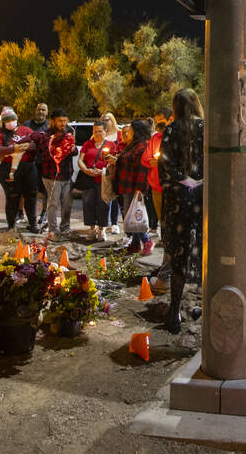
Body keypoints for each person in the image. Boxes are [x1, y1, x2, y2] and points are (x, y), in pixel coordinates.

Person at [158, 88, 205, 333]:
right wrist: (200, 181)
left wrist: (183, 180)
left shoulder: (171, 129)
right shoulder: (206, 128)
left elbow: (164, 162)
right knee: (207, 251)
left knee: (179, 253)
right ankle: (207, 308)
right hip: (204, 198)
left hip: (178, 200)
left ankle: (174, 311)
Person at [0, 108, 40, 233]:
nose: (11, 122)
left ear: (17, 119)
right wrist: (13, 149)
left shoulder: (26, 130)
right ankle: (11, 225)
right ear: (4, 122)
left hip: (28, 167)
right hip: (7, 168)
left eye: (13, 119)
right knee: (12, 196)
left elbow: (37, 143)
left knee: (31, 196)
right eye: (8, 120)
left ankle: (33, 224)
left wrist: (29, 146)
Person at [33, 109, 76, 238]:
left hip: (67, 174)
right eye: (60, 121)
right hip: (52, 176)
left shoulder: (69, 133)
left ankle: (65, 228)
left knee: (67, 203)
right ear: (53, 121)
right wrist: (64, 149)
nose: (63, 123)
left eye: (65, 120)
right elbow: (47, 153)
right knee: (53, 203)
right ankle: (53, 229)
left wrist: (70, 149)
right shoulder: (47, 136)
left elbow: (74, 151)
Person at [115, 119, 154, 255]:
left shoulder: (142, 146)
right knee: (130, 216)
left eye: (130, 130)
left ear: (136, 131)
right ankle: (136, 244)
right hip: (127, 184)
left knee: (135, 216)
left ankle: (147, 240)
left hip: (134, 186)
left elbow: (143, 168)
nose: (128, 133)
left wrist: (140, 188)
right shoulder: (132, 145)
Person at [76, 122, 110, 236]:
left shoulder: (111, 145)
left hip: (103, 179)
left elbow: (114, 162)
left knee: (103, 204)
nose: (97, 134)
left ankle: (101, 229)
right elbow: (80, 159)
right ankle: (91, 229)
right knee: (88, 202)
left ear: (105, 131)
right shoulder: (88, 144)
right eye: (95, 131)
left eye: (100, 131)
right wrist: (86, 170)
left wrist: (103, 171)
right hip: (89, 178)